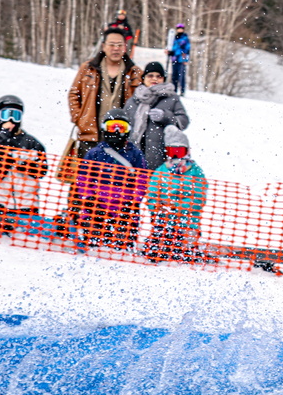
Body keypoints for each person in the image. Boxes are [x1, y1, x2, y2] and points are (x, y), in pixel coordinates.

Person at [76, 109, 149, 249]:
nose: (116, 131)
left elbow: (142, 179)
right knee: (94, 239)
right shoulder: (95, 153)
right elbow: (84, 177)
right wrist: (89, 198)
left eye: (120, 127)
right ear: (105, 129)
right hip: (98, 204)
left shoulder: (134, 154)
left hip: (124, 207)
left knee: (122, 242)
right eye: (112, 126)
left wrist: (133, 200)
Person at [0, 95, 49, 237]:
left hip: (26, 206)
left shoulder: (31, 143)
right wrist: (4, 139)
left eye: (16, 115)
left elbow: (42, 170)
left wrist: (26, 165)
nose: (11, 121)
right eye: (7, 115)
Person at [67, 28, 144, 157]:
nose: (116, 48)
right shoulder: (88, 68)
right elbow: (74, 94)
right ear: (104, 46)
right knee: (88, 174)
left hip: (121, 135)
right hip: (91, 134)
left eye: (120, 45)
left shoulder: (134, 72)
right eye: (112, 45)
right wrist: (79, 119)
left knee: (115, 175)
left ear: (125, 47)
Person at [143, 126, 212, 263]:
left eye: (179, 151)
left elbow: (199, 197)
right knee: (156, 247)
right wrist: (159, 208)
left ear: (186, 151)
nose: (175, 156)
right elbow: (152, 195)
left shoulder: (195, 172)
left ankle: (185, 248)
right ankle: (160, 247)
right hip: (163, 219)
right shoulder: (161, 170)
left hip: (187, 220)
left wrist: (177, 207)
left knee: (186, 248)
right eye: (172, 151)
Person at [123, 62, 191, 171]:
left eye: (159, 76)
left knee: (155, 186)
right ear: (144, 78)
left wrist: (166, 116)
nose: (154, 79)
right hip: (133, 156)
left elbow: (183, 121)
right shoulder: (133, 100)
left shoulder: (172, 98)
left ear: (163, 79)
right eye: (150, 76)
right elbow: (125, 125)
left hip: (161, 155)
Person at [167, 24, 191, 95]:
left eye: (181, 28)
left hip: (181, 59)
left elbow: (187, 50)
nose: (180, 30)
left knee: (181, 75)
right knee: (174, 75)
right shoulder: (174, 38)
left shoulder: (185, 38)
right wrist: (170, 52)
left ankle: (182, 90)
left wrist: (185, 60)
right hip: (174, 59)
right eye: (178, 28)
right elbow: (172, 47)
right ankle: (174, 90)